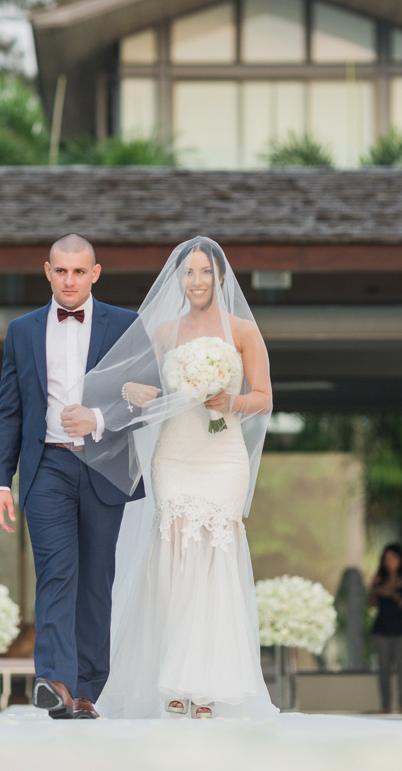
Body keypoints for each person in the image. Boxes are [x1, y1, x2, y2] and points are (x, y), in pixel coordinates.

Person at [76, 236, 277, 719]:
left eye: (206, 272)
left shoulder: (244, 331)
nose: (197, 281)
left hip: (222, 454)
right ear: (179, 279)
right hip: (174, 455)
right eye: (189, 272)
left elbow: (264, 397)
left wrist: (229, 401)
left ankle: (206, 685)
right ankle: (171, 674)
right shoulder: (162, 331)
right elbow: (130, 382)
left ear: (221, 277)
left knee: (213, 560)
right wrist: (133, 389)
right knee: (172, 558)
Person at [0, 233, 157, 720]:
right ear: (47, 270)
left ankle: (87, 691)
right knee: (56, 574)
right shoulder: (21, 331)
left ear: (95, 273)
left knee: (95, 581)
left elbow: (150, 397)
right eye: (61, 271)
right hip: (48, 467)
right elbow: (9, 411)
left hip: (105, 466)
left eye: (79, 272)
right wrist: (1, 481)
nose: (69, 280)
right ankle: (55, 681)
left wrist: (100, 420)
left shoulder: (126, 326)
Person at [369, 542, 402, 714]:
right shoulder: (379, 578)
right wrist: (374, 589)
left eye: (392, 557)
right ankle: (385, 705)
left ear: (400, 559)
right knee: (384, 670)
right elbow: (372, 604)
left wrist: (393, 594)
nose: (389, 561)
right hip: (382, 629)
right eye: (386, 558)